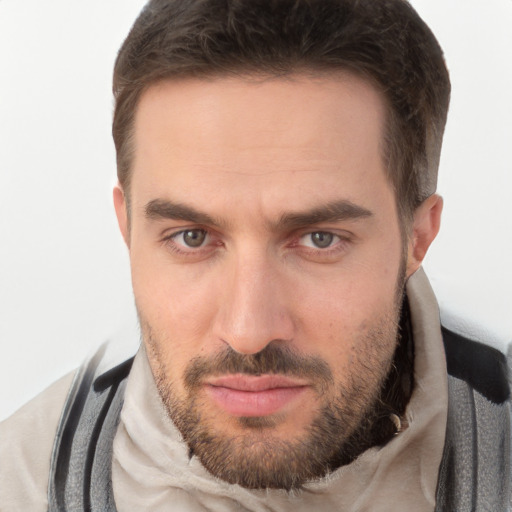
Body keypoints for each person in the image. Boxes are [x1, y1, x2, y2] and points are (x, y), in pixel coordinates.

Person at [1, 0, 510, 510]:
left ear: (418, 237)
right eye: (192, 237)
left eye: (319, 239)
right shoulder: (19, 484)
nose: (249, 331)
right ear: (128, 228)